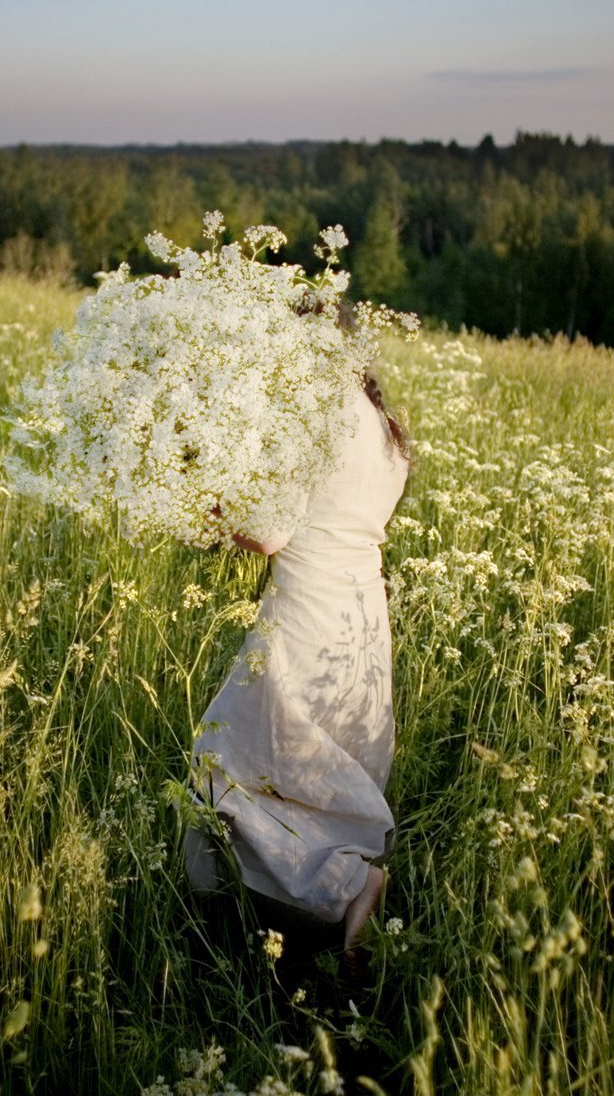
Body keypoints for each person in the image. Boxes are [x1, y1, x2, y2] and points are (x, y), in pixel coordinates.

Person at [182, 370, 411, 965]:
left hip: (306, 616)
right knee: (317, 776)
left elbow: (269, 533)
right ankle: (334, 902)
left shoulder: (314, 411)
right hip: (362, 618)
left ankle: (326, 894)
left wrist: (200, 499)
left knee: (229, 767)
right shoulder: (383, 425)